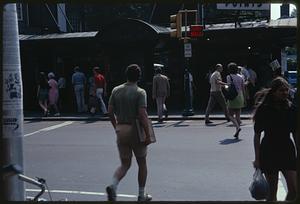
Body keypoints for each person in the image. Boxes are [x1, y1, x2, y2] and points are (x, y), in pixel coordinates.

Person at [106, 64, 152, 202]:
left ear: (126, 75)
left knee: (125, 164)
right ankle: (141, 194)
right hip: (135, 130)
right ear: (139, 77)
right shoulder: (140, 92)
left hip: (121, 129)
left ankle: (113, 186)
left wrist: (116, 126)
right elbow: (142, 115)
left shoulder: (116, 90)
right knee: (142, 163)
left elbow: (109, 112)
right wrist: (148, 134)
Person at [253, 77, 297, 201]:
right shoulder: (264, 109)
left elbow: (296, 134)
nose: (285, 93)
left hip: (287, 150)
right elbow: (257, 135)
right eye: (281, 90)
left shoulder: (291, 109)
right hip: (269, 150)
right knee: (272, 193)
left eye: (286, 90)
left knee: (294, 190)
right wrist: (257, 159)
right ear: (273, 92)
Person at [204, 63, 241, 137]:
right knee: (224, 104)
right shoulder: (217, 73)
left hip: (212, 91)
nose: (222, 69)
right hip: (217, 91)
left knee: (210, 105)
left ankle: (206, 118)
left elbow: (211, 82)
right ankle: (228, 117)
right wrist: (226, 84)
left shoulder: (213, 74)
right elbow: (218, 82)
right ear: (218, 68)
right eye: (221, 68)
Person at [226, 63, 245, 130]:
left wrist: (224, 86)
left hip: (233, 97)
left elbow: (228, 87)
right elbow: (243, 88)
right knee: (238, 116)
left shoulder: (229, 77)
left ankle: (237, 127)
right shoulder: (241, 77)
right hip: (240, 96)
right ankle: (237, 129)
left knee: (230, 115)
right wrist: (244, 98)